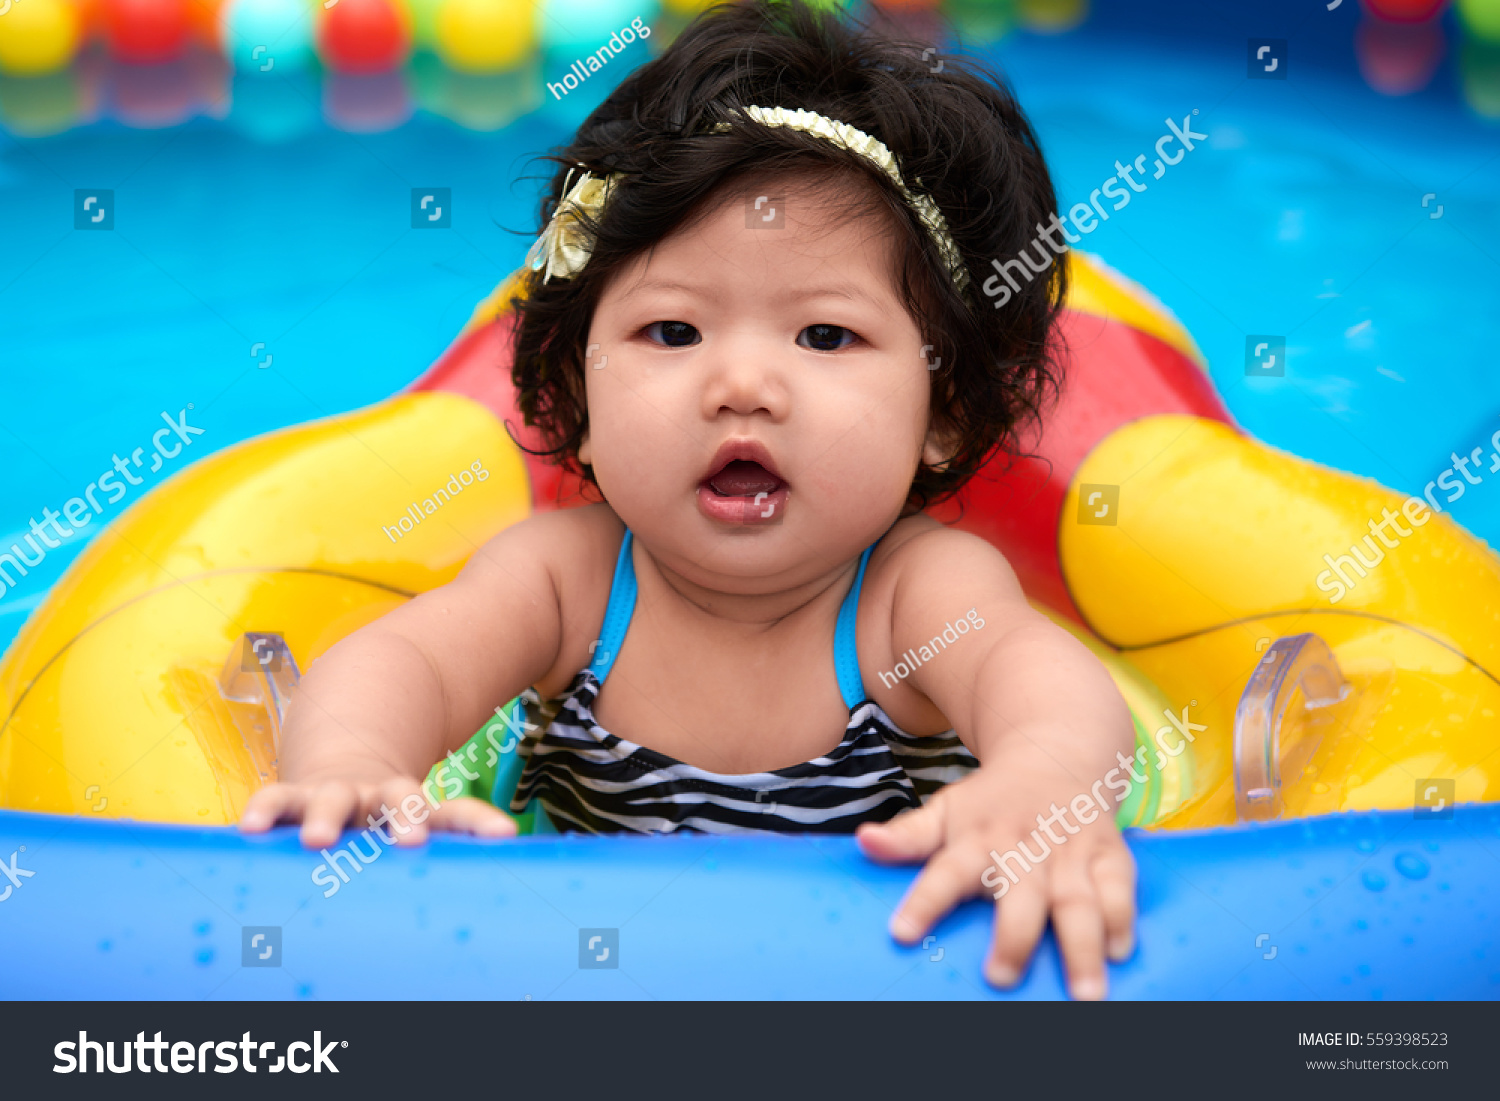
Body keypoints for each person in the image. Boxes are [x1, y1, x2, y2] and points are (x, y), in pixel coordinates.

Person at [241, 0, 1136, 1000]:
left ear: (944, 415)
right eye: (673, 332)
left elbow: (1043, 683)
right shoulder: (566, 583)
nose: (741, 385)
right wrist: (356, 763)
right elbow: (407, 661)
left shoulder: (911, 597)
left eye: (825, 337)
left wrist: (1044, 784)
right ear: (578, 398)